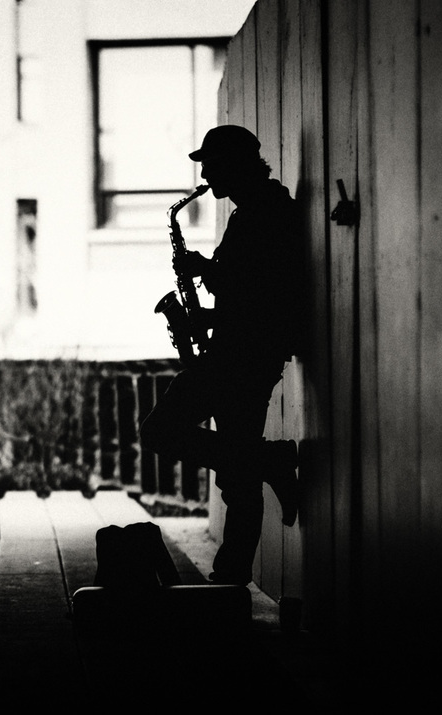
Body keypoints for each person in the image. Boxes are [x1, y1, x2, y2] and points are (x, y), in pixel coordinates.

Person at [138, 125, 304, 586]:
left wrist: (204, 269)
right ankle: (230, 581)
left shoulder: (268, 212)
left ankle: (269, 460)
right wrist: (203, 319)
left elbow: (263, 291)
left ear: (235, 164)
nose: (206, 174)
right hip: (242, 349)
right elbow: (244, 301)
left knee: (159, 431)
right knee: (237, 477)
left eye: (212, 164)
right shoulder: (251, 211)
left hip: (243, 357)